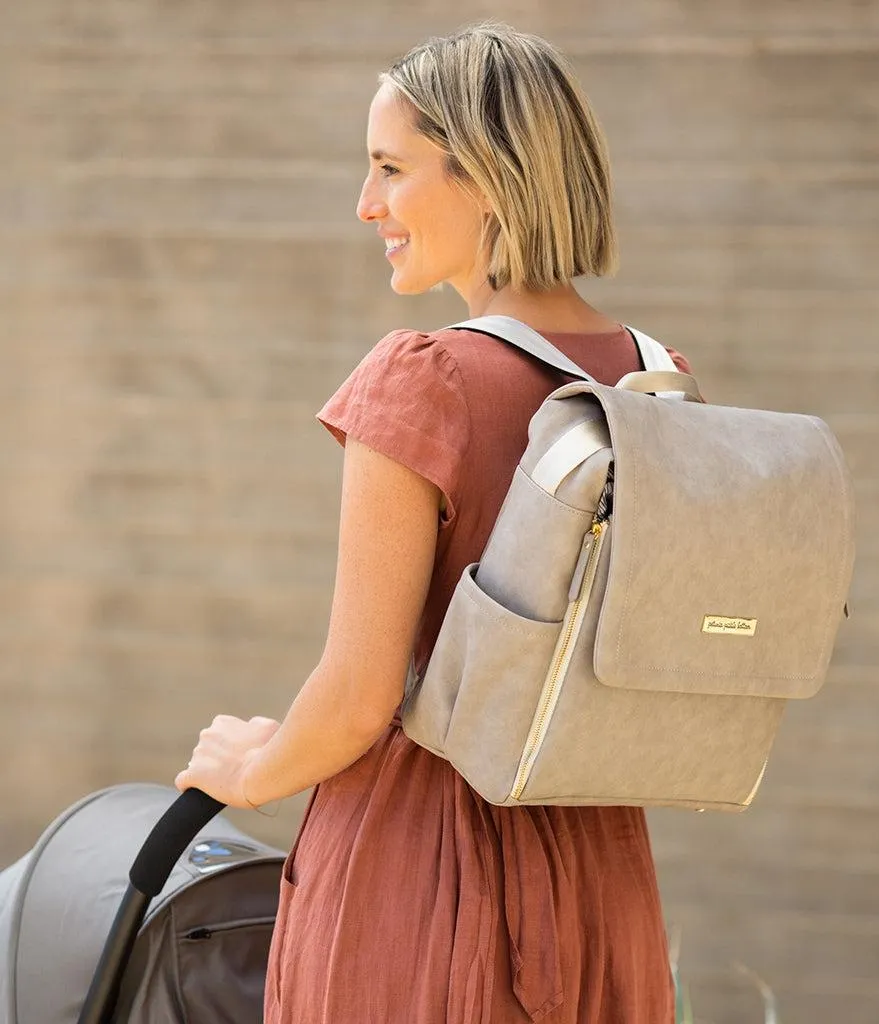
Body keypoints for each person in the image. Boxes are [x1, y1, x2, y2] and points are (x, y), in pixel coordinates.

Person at [175, 22, 692, 1023]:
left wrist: (253, 768)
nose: (366, 205)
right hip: (600, 873)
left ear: (488, 177)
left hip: (420, 875)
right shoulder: (655, 376)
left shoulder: (426, 377)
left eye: (389, 169)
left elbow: (362, 697)